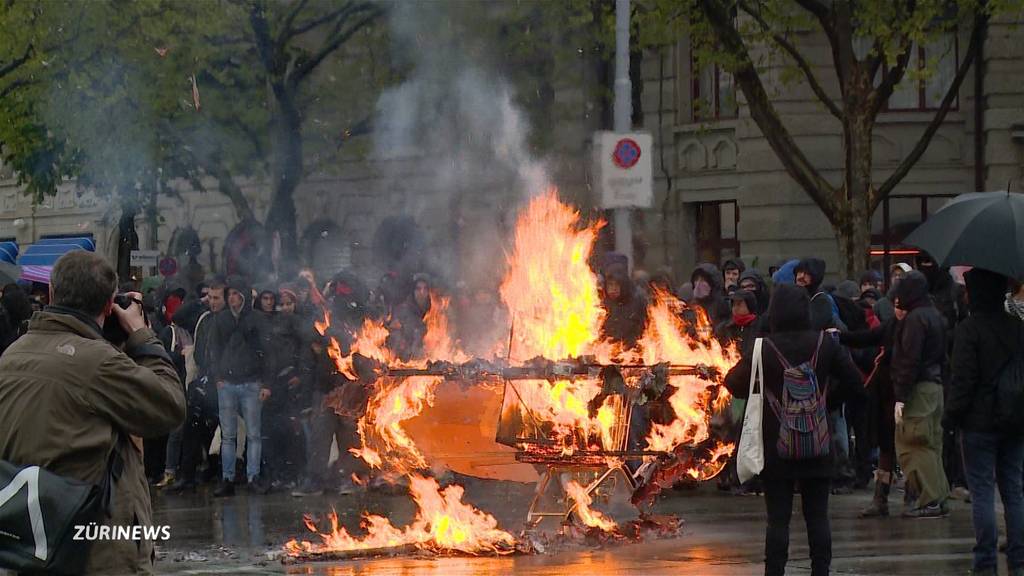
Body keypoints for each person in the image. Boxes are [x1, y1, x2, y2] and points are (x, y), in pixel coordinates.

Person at [0, 251, 184, 574]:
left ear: (52, 293)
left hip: (27, 543)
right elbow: (169, 406)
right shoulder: (98, 363)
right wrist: (142, 335)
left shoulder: (11, 356)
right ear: (108, 304)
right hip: (91, 550)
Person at [724, 285, 864, 576]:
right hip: (817, 441)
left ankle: (774, 571)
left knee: (777, 520)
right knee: (817, 517)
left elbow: (734, 383)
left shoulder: (764, 348)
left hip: (776, 447)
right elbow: (855, 383)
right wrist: (824, 405)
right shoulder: (825, 344)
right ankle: (820, 571)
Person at [942, 268, 1024, 575]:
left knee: (982, 492)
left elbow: (963, 381)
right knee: (1013, 490)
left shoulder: (969, 330)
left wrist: (950, 419)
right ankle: (1018, 557)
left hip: (978, 422)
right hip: (1014, 418)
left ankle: (986, 560)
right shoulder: (1017, 326)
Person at [891, 270, 950, 517]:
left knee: (915, 443)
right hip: (935, 387)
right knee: (932, 443)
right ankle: (938, 495)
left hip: (918, 389)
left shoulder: (915, 320)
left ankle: (929, 499)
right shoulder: (936, 315)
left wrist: (901, 396)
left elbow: (910, 359)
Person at [208, 275, 268, 497]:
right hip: (227, 383)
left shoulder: (256, 319)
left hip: (251, 382)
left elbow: (266, 351)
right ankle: (227, 478)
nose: (232, 298)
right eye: (229, 293)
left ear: (243, 295)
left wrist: (266, 382)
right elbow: (213, 349)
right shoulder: (221, 320)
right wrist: (218, 377)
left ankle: (253, 477)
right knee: (228, 435)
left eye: (236, 293)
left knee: (253, 434)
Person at [167, 278, 226, 493]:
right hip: (202, 379)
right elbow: (179, 317)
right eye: (210, 297)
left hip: (223, 381)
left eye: (216, 298)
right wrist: (199, 302)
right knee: (191, 428)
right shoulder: (204, 317)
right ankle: (187, 476)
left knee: (221, 431)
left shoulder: (230, 319)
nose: (212, 302)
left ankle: (220, 474)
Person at [389, 273, 432, 360]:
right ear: (413, 291)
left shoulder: (436, 310)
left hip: (432, 356)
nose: (422, 292)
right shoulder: (403, 311)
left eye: (425, 289)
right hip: (408, 359)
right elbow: (395, 336)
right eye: (418, 289)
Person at [601, 265, 647, 348]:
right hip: (607, 351)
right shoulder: (603, 304)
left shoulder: (637, 302)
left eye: (616, 285)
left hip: (633, 352)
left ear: (623, 285)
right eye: (610, 285)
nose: (613, 289)